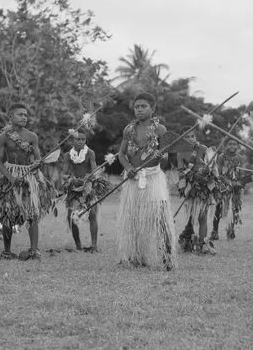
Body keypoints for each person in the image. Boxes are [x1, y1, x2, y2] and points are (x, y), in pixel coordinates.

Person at [0, 103, 57, 261]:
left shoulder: (32, 136)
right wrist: (10, 178)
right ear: (11, 117)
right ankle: (7, 251)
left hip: (28, 176)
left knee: (32, 213)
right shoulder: (4, 136)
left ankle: (34, 251)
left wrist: (37, 163)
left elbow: (38, 159)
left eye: (26, 115)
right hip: (9, 174)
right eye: (20, 114)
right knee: (8, 214)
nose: (24, 117)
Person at [116, 92, 177, 271]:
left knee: (160, 217)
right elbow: (121, 153)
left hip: (153, 178)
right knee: (134, 218)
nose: (140, 109)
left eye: (143, 106)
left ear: (153, 109)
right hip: (133, 179)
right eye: (137, 106)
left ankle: (167, 256)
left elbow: (166, 157)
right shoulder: (129, 129)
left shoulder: (160, 130)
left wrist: (160, 157)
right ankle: (135, 255)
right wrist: (128, 168)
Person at [61, 130, 110, 252]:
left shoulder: (90, 153)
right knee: (70, 217)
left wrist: (89, 177)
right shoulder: (68, 155)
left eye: (83, 139)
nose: (81, 141)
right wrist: (70, 179)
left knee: (92, 215)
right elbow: (64, 173)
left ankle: (94, 245)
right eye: (78, 139)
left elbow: (94, 169)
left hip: (88, 187)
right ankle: (78, 244)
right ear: (72, 141)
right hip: (73, 188)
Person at [175, 129, 217, 254]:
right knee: (192, 216)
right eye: (187, 137)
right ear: (183, 139)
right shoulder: (181, 153)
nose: (191, 139)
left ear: (196, 137)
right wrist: (191, 176)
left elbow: (213, 167)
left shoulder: (203, 149)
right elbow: (181, 173)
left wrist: (206, 172)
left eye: (192, 136)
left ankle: (202, 243)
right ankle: (187, 237)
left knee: (202, 217)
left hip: (204, 188)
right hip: (191, 189)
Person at [210, 139, 249, 241]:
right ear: (225, 145)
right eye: (230, 144)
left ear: (238, 146)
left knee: (234, 210)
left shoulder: (241, 158)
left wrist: (240, 183)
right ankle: (215, 232)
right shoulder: (222, 157)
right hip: (223, 187)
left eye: (234, 144)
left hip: (236, 188)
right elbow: (219, 173)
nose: (232, 146)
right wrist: (227, 182)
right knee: (218, 209)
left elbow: (242, 174)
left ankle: (231, 231)